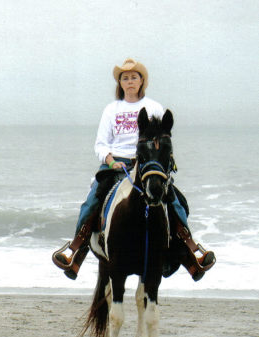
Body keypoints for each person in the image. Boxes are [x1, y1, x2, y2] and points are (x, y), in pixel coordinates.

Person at [52, 58, 215, 280]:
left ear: (142, 81)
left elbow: (161, 139)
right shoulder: (112, 109)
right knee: (93, 200)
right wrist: (110, 161)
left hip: (147, 165)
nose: (130, 81)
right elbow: (101, 143)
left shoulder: (154, 107)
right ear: (120, 83)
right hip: (116, 163)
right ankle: (75, 251)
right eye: (125, 78)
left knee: (174, 199)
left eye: (134, 77)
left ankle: (191, 250)